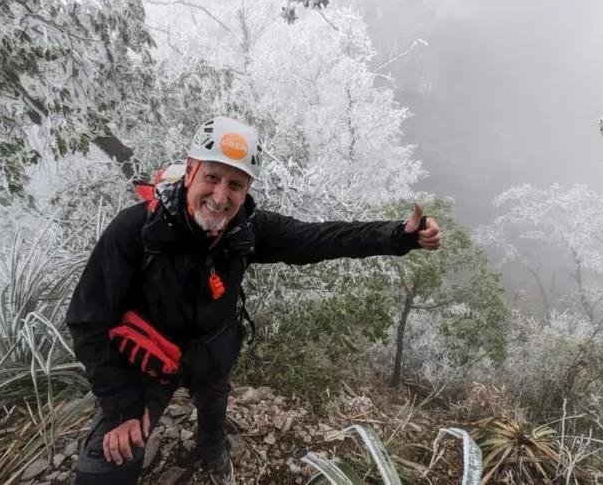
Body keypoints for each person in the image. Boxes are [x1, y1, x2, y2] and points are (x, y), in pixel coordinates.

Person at [66, 116, 442, 485]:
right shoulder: (137, 229)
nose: (220, 197)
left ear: (247, 190)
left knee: (213, 407)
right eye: (212, 177)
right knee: (109, 461)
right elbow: (87, 319)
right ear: (191, 171)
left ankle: (212, 449)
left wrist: (397, 236)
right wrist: (122, 407)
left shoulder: (247, 229)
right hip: (147, 363)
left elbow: (322, 238)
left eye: (235, 184)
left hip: (212, 353)